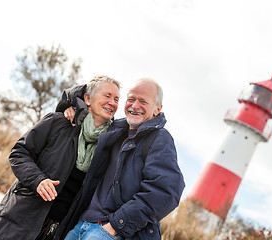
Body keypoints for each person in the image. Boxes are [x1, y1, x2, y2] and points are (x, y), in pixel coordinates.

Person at [0, 75, 121, 240]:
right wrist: (38, 180)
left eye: (117, 99)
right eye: (107, 96)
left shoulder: (111, 143)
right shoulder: (58, 122)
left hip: (58, 229)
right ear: (87, 98)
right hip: (23, 217)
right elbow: (19, 153)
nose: (112, 102)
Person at [62, 78, 185, 240]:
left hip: (112, 232)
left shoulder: (160, 138)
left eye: (143, 101)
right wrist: (71, 107)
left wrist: (114, 226)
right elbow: (93, 97)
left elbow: (166, 192)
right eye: (131, 99)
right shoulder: (113, 130)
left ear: (157, 109)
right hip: (81, 224)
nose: (135, 106)